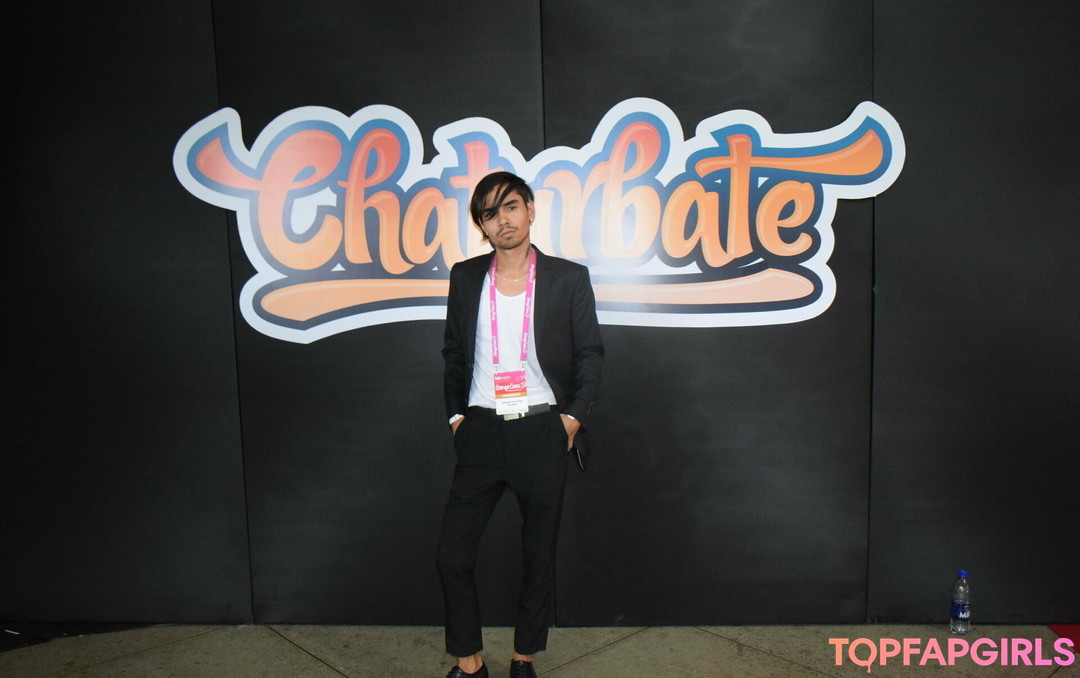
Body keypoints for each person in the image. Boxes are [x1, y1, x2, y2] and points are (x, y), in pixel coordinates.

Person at [436, 171, 603, 678]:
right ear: (482, 225)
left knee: (538, 554)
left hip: (542, 430)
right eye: (489, 213)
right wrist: (457, 417)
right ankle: (470, 663)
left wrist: (571, 419)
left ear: (530, 210)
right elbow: (453, 353)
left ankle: (523, 657)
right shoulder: (466, 277)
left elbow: (589, 353)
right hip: (482, 431)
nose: (502, 220)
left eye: (509, 206)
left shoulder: (567, 278)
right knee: (451, 555)